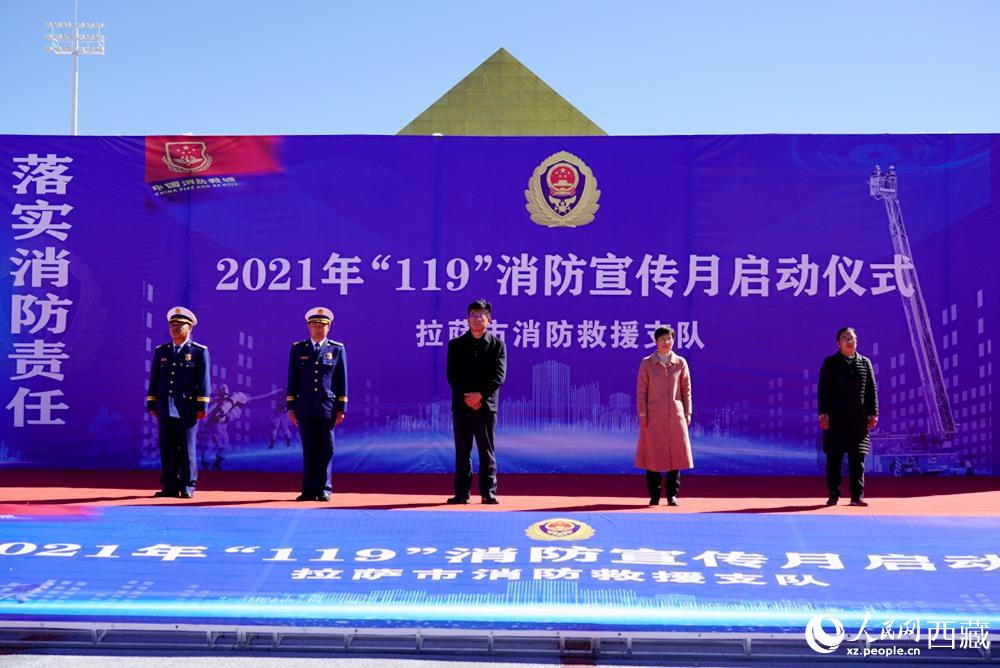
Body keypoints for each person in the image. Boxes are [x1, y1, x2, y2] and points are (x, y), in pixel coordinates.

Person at [445, 299, 507, 505]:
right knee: (462, 451)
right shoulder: (456, 345)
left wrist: (479, 396)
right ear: (467, 319)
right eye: (473, 315)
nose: (477, 319)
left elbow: (498, 376)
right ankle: (462, 494)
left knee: (486, 450)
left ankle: (488, 492)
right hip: (462, 406)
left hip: (486, 406)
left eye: (481, 315)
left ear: (489, 320)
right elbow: (452, 375)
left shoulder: (497, 345)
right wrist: (468, 397)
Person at [146, 307, 211, 499]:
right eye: (172, 325)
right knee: (167, 447)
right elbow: (155, 380)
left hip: (186, 408)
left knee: (186, 448)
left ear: (189, 328)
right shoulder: (162, 351)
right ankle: (170, 485)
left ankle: (188, 485)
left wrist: (202, 406)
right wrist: (152, 403)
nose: (175, 329)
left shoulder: (198, 351)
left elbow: (204, 381)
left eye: (180, 325)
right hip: (165, 406)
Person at [286, 307, 347, 502]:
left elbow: (341, 381)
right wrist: (291, 407)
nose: (318, 329)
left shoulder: (336, 349)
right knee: (309, 448)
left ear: (329, 327)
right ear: (308, 327)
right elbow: (292, 379)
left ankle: (324, 489)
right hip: (304, 406)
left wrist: (341, 408)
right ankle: (308, 490)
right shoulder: (298, 348)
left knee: (326, 448)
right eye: (314, 326)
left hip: (326, 407)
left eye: (322, 326)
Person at [818, 326, 878, 507]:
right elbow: (823, 390)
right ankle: (833, 495)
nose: (849, 341)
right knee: (834, 458)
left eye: (852, 338)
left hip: (858, 420)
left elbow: (871, 391)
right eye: (845, 338)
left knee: (858, 459)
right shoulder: (830, 363)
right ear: (838, 343)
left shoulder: (865, 363)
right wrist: (823, 414)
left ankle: (857, 496)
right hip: (836, 418)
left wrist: (873, 413)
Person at [634, 325, 693, 506]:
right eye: (662, 339)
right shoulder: (647, 363)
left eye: (669, 339)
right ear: (656, 341)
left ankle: (672, 495)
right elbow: (641, 391)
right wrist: (643, 414)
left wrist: (687, 412)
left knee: (676, 456)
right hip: (654, 416)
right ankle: (654, 494)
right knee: (653, 456)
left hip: (675, 415)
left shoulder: (680, 362)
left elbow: (686, 390)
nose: (666, 342)